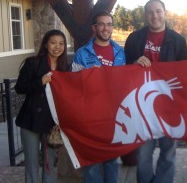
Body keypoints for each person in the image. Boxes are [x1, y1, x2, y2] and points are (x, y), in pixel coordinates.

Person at [124, 0, 187, 183]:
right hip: (142, 105)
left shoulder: (178, 41)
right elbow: (123, 70)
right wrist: (134, 64)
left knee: (168, 153)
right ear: (145, 16)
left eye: (158, 11)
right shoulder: (134, 39)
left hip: (170, 105)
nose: (155, 16)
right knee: (143, 155)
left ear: (165, 13)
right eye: (150, 12)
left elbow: (185, 75)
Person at [71, 10, 125, 183]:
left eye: (109, 24)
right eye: (101, 24)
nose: (105, 28)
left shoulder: (120, 52)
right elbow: (73, 85)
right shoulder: (82, 53)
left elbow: (127, 80)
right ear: (94, 28)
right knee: (92, 162)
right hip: (90, 115)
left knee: (112, 160)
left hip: (113, 114)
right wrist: (88, 76)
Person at [15, 29, 69, 183]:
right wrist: (40, 81)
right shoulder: (33, 62)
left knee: (49, 164)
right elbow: (20, 88)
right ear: (46, 44)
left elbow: (67, 97)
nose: (57, 47)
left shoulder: (65, 67)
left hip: (52, 124)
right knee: (31, 164)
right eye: (53, 43)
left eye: (61, 43)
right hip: (30, 120)